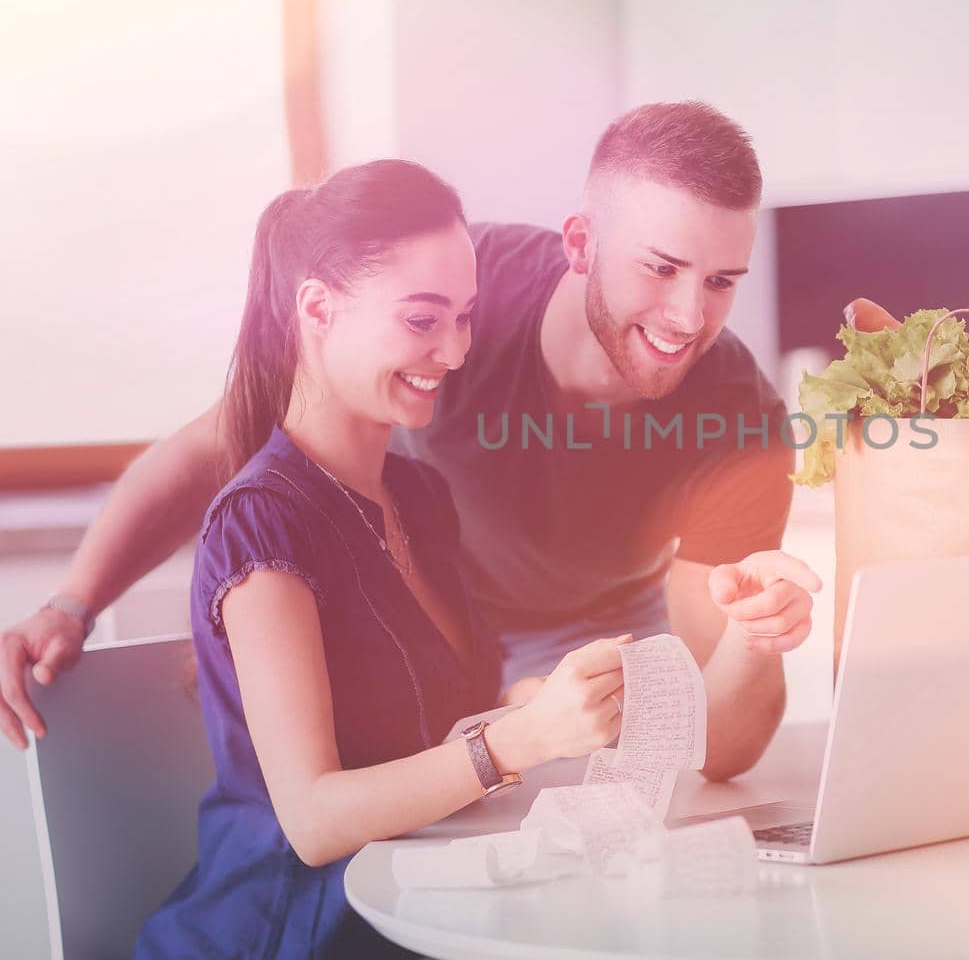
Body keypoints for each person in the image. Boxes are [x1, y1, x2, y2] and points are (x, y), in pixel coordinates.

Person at [0, 100, 819, 781]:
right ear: (580, 244)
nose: (688, 317)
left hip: (596, 632)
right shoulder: (456, 299)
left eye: (720, 283)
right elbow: (220, 440)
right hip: (416, 612)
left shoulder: (738, 412)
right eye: (661, 267)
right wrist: (70, 604)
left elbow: (720, 743)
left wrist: (757, 637)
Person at [134, 159, 631, 958]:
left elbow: (439, 733)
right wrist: (523, 739)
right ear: (318, 309)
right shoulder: (261, 522)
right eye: (422, 319)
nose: (457, 350)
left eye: (466, 317)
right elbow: (314, 820)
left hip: (418, 908)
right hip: (291, 930)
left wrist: (553, 702)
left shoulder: (419, 496)